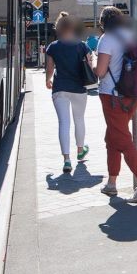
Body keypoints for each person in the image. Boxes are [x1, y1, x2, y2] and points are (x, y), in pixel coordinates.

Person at [94, 6, 137, 203]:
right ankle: (111, 183)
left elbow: (101, 71)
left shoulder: (107, 39)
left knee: (122, 140)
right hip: (131, 95)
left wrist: (90, 62)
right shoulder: (130, 35)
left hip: (112, 96)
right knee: (112, 138)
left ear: (103, 23)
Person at [45, 12, 91, 174]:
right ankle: (80, 150)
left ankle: (66, 160)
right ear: (72, 27)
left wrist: (48, 80)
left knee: (64, 123)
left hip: (60, 89)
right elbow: (90, 65)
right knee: (79, 119)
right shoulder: (82, 46)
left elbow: (50, 68)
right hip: (79, 88)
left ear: (58, 28)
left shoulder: (53, 47)